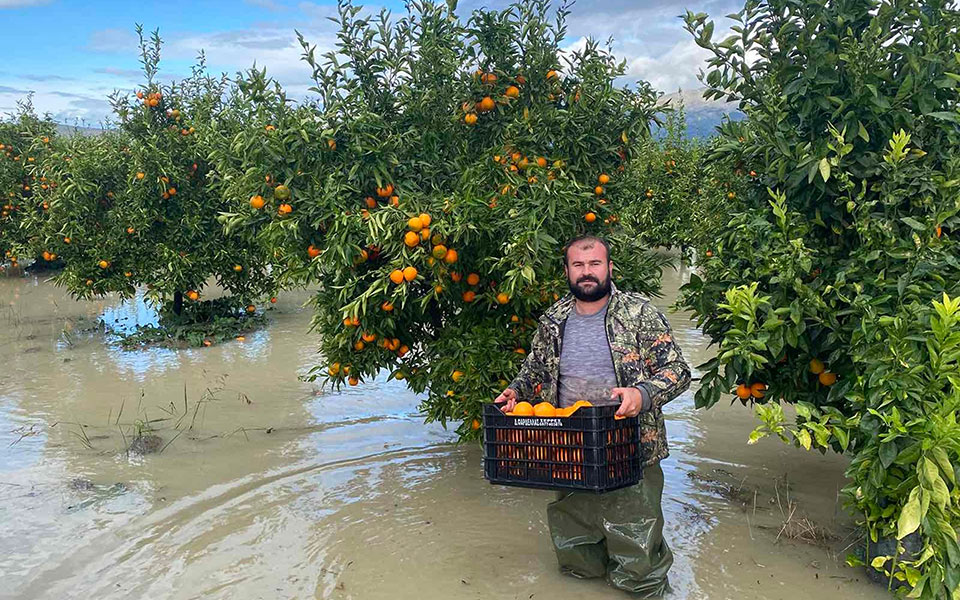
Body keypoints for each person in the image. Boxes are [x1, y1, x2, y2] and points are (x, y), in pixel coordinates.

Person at [494, 234, 691, 597]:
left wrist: (642, 394)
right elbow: (534, 370)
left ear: (609, 268)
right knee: (576, 547)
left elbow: (677, 371)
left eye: (594, 264)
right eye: (578, 265)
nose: (587, 272)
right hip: (569, 447)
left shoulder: (639, 314)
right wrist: (516, 392)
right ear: (568, 270)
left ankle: (641, 588)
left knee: (638, 554)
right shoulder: (554, 319)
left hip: (629, 447)